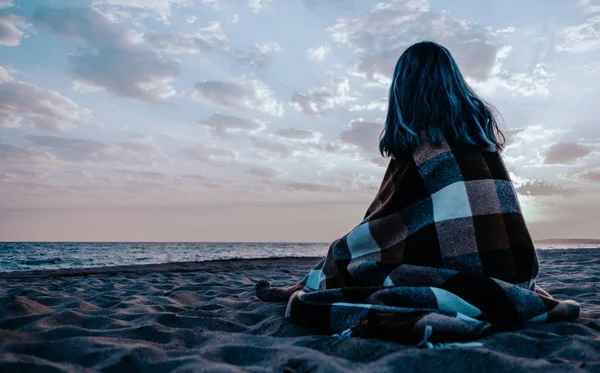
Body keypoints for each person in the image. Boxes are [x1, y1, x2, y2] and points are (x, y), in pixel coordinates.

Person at [254, 41, 579, 344]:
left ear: (402, 90)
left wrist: (352, 243)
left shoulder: (420, 144)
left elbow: (385, 220)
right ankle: (300, 284)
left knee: (343, 255)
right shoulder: (480, 139)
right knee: (356, 255)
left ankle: (302, 287)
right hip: (515, 275)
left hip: (464, 273)